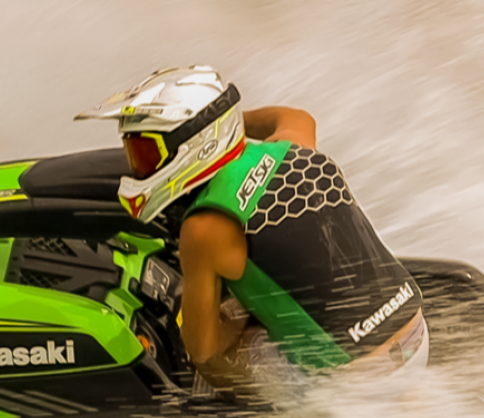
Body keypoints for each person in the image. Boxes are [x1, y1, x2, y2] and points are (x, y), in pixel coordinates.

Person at [75, 65, 428, 392]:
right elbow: (295, 116)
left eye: (146, 152)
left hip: (360, 388)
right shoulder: (293, 147)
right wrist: (225, 123)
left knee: (218, 344)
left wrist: (231, 320)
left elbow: (203, 351)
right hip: (415, 334)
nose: (138, 167)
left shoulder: (203, 229)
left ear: (195, 144)